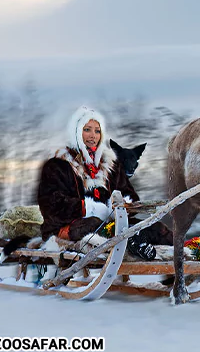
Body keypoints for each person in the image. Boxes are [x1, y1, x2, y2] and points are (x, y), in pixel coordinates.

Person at [37, 105, 158, 260]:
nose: (92, 135)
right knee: (94, 224)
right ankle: (134, 244)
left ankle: (187, 254)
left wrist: (122, 207)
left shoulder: (111, 165)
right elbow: (51, 204)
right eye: (87, 129)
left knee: (153, 227)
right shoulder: (58, 165)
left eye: (97, 131)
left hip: (111, 223)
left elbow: (129, 194)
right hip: (66, 227)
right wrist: (89, 208)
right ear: (76, 131)